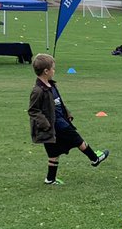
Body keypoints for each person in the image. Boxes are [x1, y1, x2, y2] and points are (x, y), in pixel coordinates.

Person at [28, 53, 109, 185]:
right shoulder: (38, 90)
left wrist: (67, 113)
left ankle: (50, 179)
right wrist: (45, 123)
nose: (54, 71)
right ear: (46, 71)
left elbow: (59, 102)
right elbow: (33, 110)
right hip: (53, 125)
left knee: (54, 152)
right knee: (77, 140)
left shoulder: (51, 85)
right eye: (53, 68)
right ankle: (95, 158)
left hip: (60, 120)